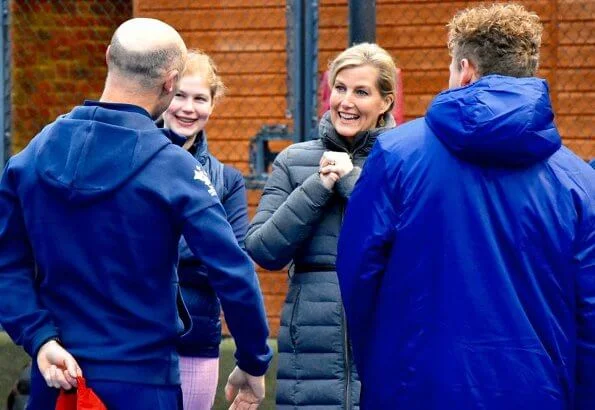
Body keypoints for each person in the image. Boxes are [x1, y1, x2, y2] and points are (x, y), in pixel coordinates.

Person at [0, 18, 272, 409]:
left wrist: (39, 337)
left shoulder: (35, 153)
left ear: (109, 56)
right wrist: (253, 360)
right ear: (170, 82)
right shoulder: (174, 168)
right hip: (142, 383)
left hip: (57, 376)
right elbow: (232, 271)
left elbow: (8, 263)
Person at [337, 4, 595, 409]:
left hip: (415, 386)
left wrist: (383, 374)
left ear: (466, 70)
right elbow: (590, 312)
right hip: (538, 391)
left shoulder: (395, 154)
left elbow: (358, 275)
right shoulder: (578, 182)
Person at [245, 43, 398, 409]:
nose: (346, 101)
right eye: (340, 88)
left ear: (385, 102)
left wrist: (351, 183)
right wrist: (317, 185)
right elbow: (263, 249)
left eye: (361, 92)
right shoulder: (294, 160)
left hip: (383, 335)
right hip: (308, 351)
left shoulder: (403, 159)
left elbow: (412, 240)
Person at [160, 50, 249, 409]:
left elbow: (233, 258)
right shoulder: (133, 159)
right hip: (133, 341)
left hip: (197, 341)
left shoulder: (227, 180)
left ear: (213, 104)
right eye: (180, 95)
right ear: (164, 94)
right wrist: (202, 245)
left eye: (200, 98)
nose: (188, 107)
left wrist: (160, 244)